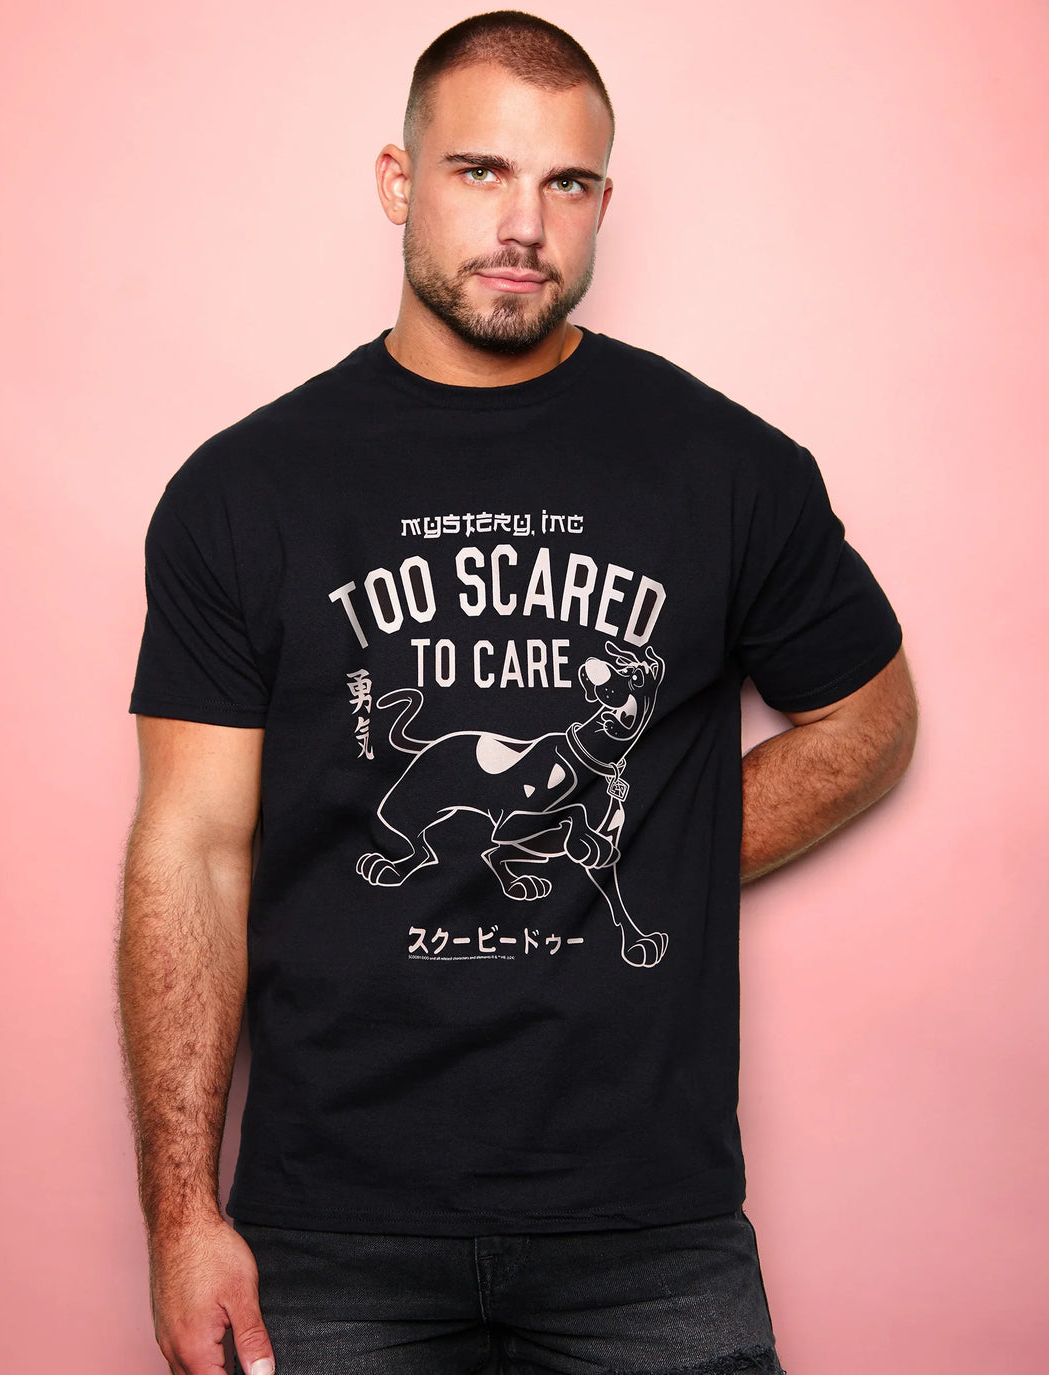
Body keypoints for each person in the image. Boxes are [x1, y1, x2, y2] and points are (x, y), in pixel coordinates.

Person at [117, 12, 918, 1375]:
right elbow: (188, 850)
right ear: (398, 181)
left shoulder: (726, 468)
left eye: (568, 183)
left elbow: (872, 719)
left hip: (651, 1231)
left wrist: (660, 852)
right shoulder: (244, 492)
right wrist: (180, 1215)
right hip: (331, 1229)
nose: (524, 225)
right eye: (480, 170)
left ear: (605, 200)